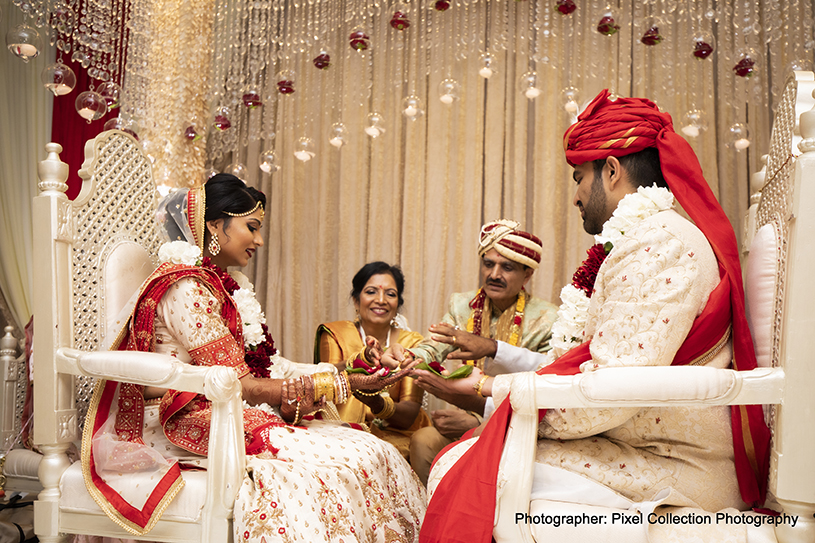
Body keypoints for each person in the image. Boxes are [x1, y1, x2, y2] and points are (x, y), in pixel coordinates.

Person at [419, 90, 771, 543]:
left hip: (678, 463)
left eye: (578, 177)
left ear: (611, 170)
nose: (576, 196)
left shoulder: (658, 244)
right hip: (640, 442)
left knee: (461, 466)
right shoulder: (645, 239)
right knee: (463, 457)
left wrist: (494, 392)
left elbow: (608, 393)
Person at [82, 174, 426, 542]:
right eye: (252, 227)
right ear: (215, 224)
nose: (259, 240)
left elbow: (268, 367)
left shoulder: (222, 287)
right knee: (339, 464)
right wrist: (344, 384)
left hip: (220, 408)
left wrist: (353, 368)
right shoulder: (185, 287)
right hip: (174, 417)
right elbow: (244, 385)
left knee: (372, 451)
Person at [385, 220, 558, 485]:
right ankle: (431, 522)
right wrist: (408, 356)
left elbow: (545, 379)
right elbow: (434, 346)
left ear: (528, 274)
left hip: (516, 425)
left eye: (507, 267)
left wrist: (478, 418)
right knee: (422, 440)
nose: (494, 274)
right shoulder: (462, 305)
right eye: (488, 264)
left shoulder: (546, 318)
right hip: (465, 418)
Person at [314, 261, 432, 459]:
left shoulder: (413, 343)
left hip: (397, 434)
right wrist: (364, 361)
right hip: (339, 431)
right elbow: (327, 389)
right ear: (355, 300)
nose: (381, 300)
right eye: (371, 292)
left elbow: (409, 414)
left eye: (391, 294)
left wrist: (378, 404)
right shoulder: (335, 334)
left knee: (378, 455)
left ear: (398, 304)